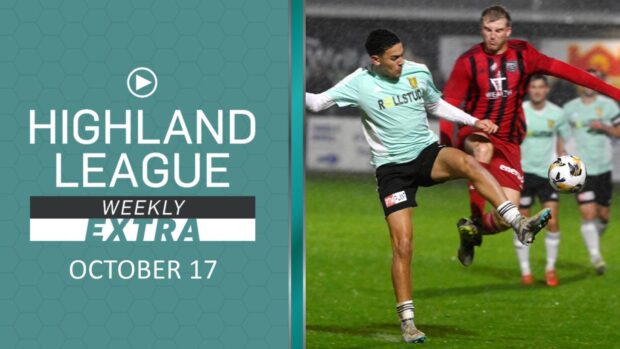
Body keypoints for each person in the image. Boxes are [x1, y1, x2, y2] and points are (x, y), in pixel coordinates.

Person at [305, 29, 551, 344]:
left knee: (468, 163)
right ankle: (408, 322)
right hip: (392, 171)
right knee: (403, 245)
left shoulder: (417, 72)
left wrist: (472, 121)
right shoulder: (358, 82)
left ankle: (519, 223)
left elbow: (436, 105)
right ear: (375, 60)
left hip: (426, 154)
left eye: (402, 54)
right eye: (393, 59)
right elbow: (315, 103)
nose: (401, 62)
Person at [440, 5, 620, 267]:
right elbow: (449, 104)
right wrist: (446, 146)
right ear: (482, 30)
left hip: (510, 141)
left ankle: (473, 232)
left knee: (506, 217)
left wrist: (614, 93)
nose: (492, 36)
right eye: (487, 30)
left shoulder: (524, 55)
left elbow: (569, 72)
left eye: (498, 30)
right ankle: (474, 216)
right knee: (482, 150)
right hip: (476, 131)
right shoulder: (468, 61)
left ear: (508, 31)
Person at [562, 69, 620, 275]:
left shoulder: (608, 106)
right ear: (579, 83)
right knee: (588, 213)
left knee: (603, 216)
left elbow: (619, 131)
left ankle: (594, 238)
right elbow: (561, 134)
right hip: (580, 169)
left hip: (603, 167)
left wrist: (604, 127)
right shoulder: (569, 109)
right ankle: (596, 257)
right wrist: (562, 154)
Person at [515, 75, 570, 286]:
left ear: (547, 90)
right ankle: (526, 271)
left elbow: (561, 144)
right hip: (524, 173)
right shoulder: (520, 112)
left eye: (541, 87)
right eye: (533, 87)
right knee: (523, 224)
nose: (537, 91)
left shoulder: (557, 113)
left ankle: (550, 269)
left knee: (552, 222)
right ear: (529, 90)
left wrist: (565, 170)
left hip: (548, 175)